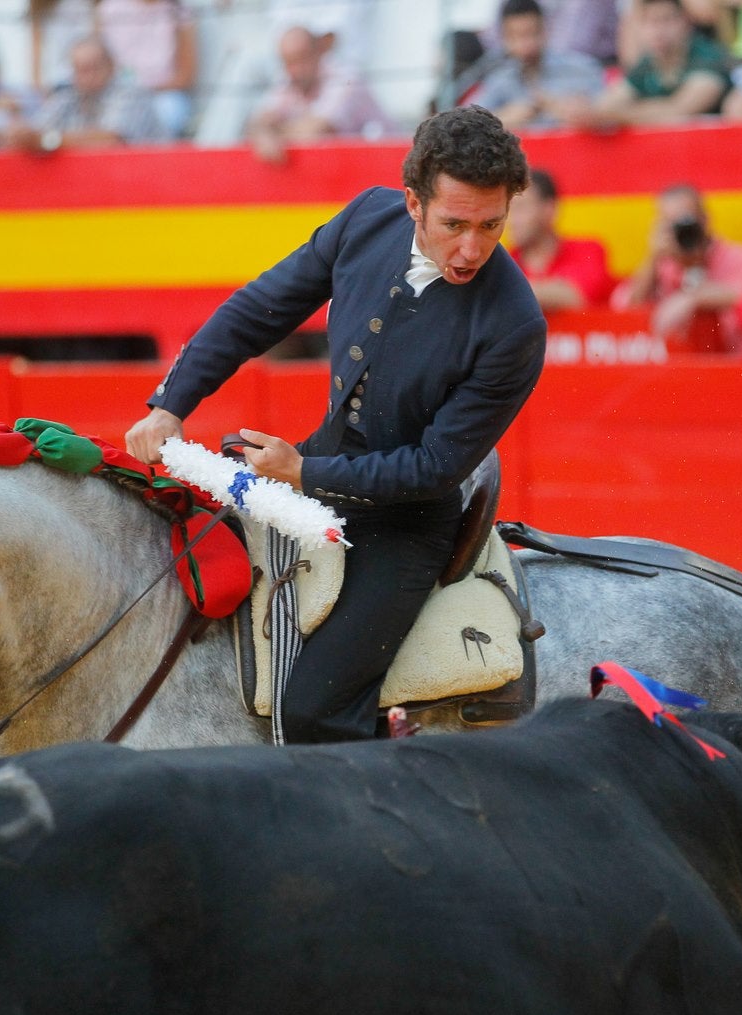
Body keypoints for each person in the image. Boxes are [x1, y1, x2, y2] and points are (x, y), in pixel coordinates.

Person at [124, 106, 544, 744]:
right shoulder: (366, 218)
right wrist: (170, 403)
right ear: (412, 204)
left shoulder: (514, 323)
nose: (472, 249)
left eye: (492, 225)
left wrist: (303, 471)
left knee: (315, 710)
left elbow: (433, 469)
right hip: (316, 465)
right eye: (454, 223)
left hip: (408, 522)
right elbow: (259, 309)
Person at [611, 183, 742, 350]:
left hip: (734, 364)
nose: (683, 232)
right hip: (681, 366)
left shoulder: (739, 258)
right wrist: (653, 257)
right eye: (673, 226)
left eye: (687, 222)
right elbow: (624, 307)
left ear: (705, 219)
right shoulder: (663, 266)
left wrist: (691, 298)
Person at [244, 25, 392, 165]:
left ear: (319, 51)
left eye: (301, 58)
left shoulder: (345, 77)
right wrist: (262, 132)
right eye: (288, 62)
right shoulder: (290, 81)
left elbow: (317, 131)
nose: (294, 70)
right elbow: (257, 123)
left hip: (385, 166)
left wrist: (271, 135)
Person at [580, 0, 732, 125]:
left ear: (685, 21)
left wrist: (617, 115)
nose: (658, 31)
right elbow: (605, 105)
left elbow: (679, 110)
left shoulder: (708, 57)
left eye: (666, 20)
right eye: (649, 22)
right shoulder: (647, 64)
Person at [468, 0, 606, 130]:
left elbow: (613, 115)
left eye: (532, 33)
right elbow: (467, 122)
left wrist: (589, 114)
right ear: (504, 38)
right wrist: (501, 119)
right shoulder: (500, 78)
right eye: (516, 36)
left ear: (545, 30)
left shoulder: (582, 69)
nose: (526, 45)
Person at [17, 35, 164, 150]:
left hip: (145, 181)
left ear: (111, 66)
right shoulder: (68, 96)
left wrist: (47, 140)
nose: (86, 77)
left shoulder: (132, 94)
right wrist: (20, 134)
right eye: (79, 70)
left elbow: (111, 140)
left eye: (92, 68)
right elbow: (33, 132)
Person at [508, 169, 614, 311]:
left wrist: (502, 292)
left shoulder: (587, 250)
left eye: (521, 208)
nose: (512, 220)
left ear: (549, 209)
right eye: (508, 210)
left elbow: (576, 296)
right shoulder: (505, 261)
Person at [100, 0, 198, 139]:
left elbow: (186, 75)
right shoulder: (109, 8)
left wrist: (146, 90)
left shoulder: (178, 10)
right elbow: (100, 61)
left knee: (168, 112)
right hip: (119, 94)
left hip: (165, 95)